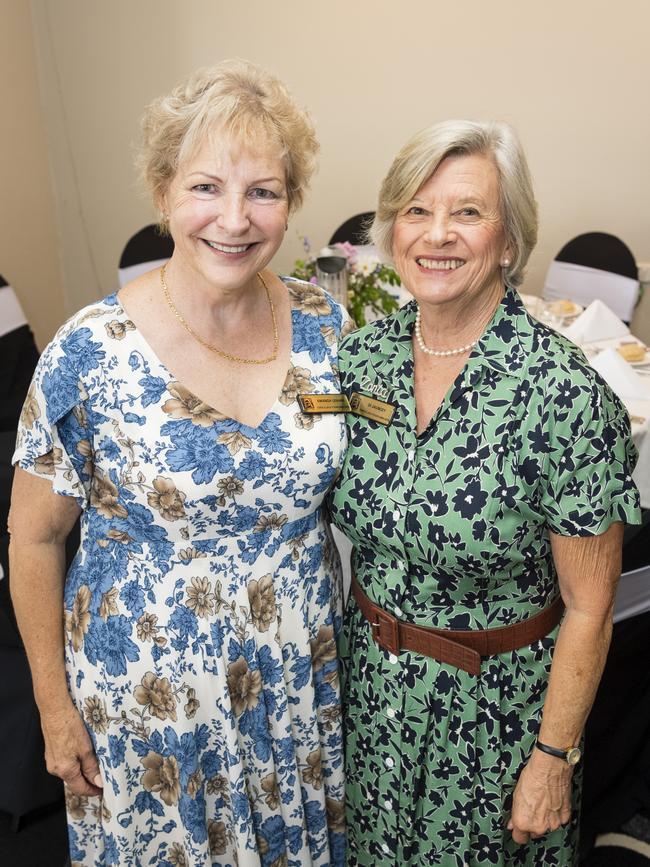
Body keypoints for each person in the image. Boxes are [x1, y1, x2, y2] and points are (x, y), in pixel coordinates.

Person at [9, 60, 351, 866]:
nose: (234, 218)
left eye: (263, 192)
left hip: (294, 692)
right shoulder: (88, 351)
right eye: (206, 187)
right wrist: (54, 711)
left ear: (291, 203)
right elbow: (31, 539)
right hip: (149, 711)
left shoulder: (326, 327)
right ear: (163, 191)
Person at [329, 120, 640, 865]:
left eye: (467, 211)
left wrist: (552, 757)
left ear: (509, 240)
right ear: (391, 231)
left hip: (494, 718)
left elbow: (592, 603)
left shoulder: (561, 394)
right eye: (416, 210)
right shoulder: (359, 360)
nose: (437, 234)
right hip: (371, 695)